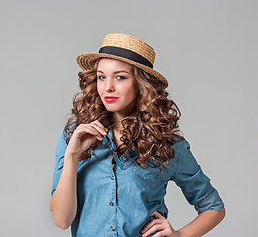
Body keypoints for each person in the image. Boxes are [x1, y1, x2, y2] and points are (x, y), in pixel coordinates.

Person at [50, 33, 225, 237]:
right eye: (101, 77)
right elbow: (62, 220)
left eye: (120, 77)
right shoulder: (74, 137)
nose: (108, 87)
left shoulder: (168, 145)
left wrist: (179, 235)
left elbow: (214, 207)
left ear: (142, 83)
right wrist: (72, 155)